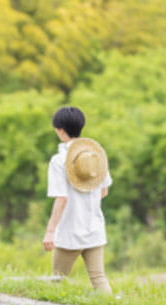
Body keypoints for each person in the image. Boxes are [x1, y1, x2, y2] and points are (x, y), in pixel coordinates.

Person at [43, 106, 113, 293]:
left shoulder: (59, 161)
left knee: (57, 281)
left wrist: (50, 231)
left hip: (69, 232)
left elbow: (62, 198)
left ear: (60, 130)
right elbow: (103, 190)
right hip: (94, 229)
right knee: (99, 278)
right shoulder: (95, 156)